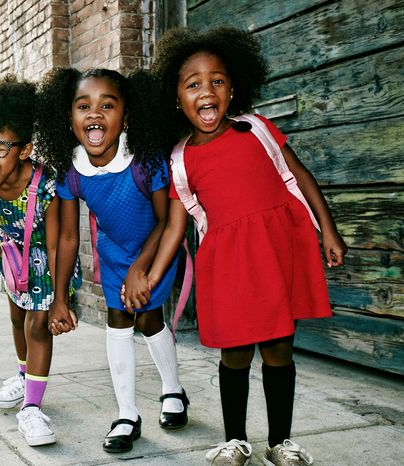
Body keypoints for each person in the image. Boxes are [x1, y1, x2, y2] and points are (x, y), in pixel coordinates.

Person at [147, 27, 348, 466]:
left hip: (276, 252)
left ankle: (281, 441)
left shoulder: (255, 128)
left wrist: (327, 229)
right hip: (229, 263)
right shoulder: (180, 159)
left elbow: (300, 176)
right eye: (193, 83)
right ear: (176, 97)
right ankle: (235, 439)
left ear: (233, 87)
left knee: (279, 346)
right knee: (235, 351)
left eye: (217, 81)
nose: (207, 91)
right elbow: (176, 226)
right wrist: (152, 273)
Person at [37, 68, 188, 454]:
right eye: (83, 106)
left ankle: (173, 390)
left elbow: (165, 221)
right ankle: (127, 414)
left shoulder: (145, 161)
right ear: (68, 117)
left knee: (151, 316)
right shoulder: (71, 170)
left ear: (126, 116)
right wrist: (60, 298)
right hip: (115, 253)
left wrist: (142, 269)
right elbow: (69, 237)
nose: (95, 114)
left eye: (108, 105)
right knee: (118, 319)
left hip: (156, 249)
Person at [0, 74, 83, 447]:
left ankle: (31, 408)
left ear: (25, 150)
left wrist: (61, 298)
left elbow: (64, 239)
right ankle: (24, 375)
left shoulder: (47, 184)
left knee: (37, 327)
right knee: (16, 316)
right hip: (12, 255)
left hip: (49, 260)